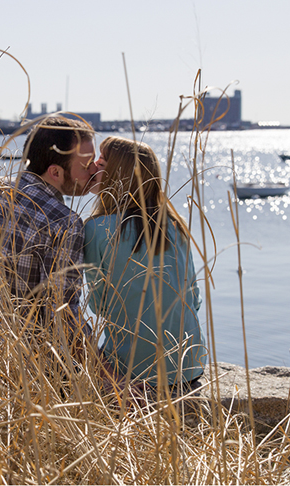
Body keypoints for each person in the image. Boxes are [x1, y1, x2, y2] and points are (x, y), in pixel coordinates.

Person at [0, 116, 99, 358]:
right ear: (55, 172)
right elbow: (62, 316)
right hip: (16, 374)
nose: (95, 170)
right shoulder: (64, 223)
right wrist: (111, 378)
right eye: (87, 167)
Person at [84, 136, 207, 398]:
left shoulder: (96, 230)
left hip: (133, 369)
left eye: (101, 162)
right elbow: (193, 297)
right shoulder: (176, 225)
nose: (93, 165)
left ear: (118, 174)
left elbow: (99, 305)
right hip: (189, 364)